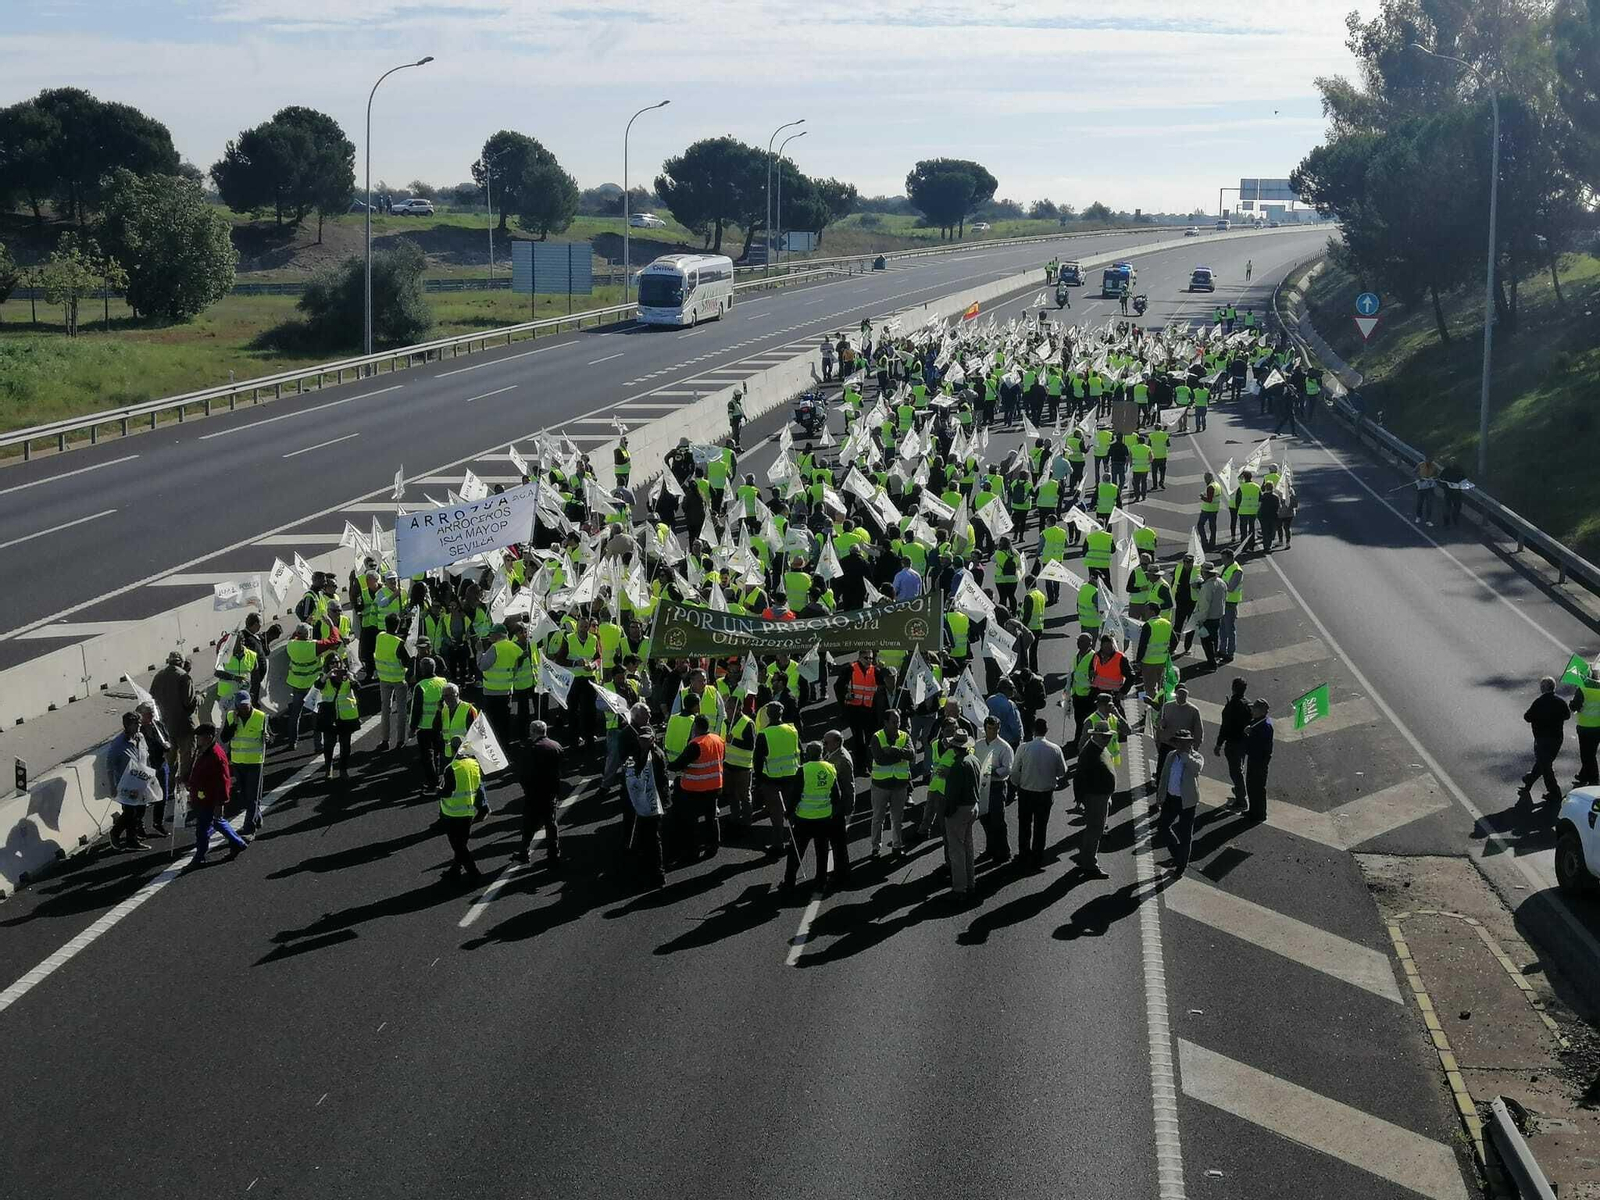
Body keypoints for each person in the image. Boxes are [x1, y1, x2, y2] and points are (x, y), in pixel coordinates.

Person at [185, 723, 247, 867]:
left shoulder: (216, 756)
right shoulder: (202, 750)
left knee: (202, 829)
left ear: (208, 737)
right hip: (202, 797)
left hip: (209, 799)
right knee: (216, 822)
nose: (197, 739)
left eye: (199, 736)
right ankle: (237, 842)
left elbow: (224, 781)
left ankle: (200, 856)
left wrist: (221, 803)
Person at [784, 741, 839, 894]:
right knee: (821, 852)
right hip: (824, 818)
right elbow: (836, 795)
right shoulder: (830, 768)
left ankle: (789, 882)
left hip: (804, 819)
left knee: (796, 851)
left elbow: (795, 795)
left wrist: (788, 812)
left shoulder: (803, 770)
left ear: (808, 754)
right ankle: (821, 882)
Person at [1012, 718, 1066, 871]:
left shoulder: (1024, 748)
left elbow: (1015, 771)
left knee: (1024, 824)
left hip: (1026, 792)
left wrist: (1017, 784)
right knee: (1041, 826)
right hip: (1045, 794)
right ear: (1046, 730)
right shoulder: (1055, 749)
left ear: (1033, 730)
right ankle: (1037, 855)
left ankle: (1023, 852)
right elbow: (1062, 771)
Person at [671, 713, 725, 860]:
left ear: (696, 727)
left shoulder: (696, 744)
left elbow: (679, 764)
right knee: (712, 818)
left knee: (692, 820)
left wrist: (668, 765)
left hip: (695, 787)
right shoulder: (718, 739)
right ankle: (713, 846)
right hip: (714, 785)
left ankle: (693, 850)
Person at [937, 730, 981, 904]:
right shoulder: (974, 760)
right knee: (968, 847)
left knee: (956, 851)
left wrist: (947, 811)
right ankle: (971, 882)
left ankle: (959, 888)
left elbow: (952, 794)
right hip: (973, 806)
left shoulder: (957, 766)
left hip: (959, 810)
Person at [1155, 731, 1204, 876]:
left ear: (1190, 743)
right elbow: (1164, 776)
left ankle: (1181, 866)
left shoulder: (1196, 757)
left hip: (1187, 801)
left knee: (1185, 834)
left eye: (1185, 741)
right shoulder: (1171, 756)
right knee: (1163, 827)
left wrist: (1184, 755)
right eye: (1178, 741)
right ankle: (1177, 855)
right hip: (1171, 799)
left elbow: (1196, 769)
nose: (1181, 744)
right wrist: (1160, 795)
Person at [513, 720, 563, 866]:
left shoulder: (531, 749)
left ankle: (524, 852)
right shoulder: (556, 746)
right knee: (551, 824)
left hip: (534, 793)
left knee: (529, 824)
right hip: (551, 792)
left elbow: (524, 773)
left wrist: (526, 788)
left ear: (533, 731)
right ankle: (553, 853)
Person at [869, 709, 915, 858]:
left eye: (899, 722)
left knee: (897, 819)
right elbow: (880, 760)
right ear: (886, 722)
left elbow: (912, 755)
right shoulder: (877, 737)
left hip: (899, 786)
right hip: (881, 785)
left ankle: (897, 846)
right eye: (894, 722)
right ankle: (876, 847)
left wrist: (893, 750)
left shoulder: (905, 736)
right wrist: (901, 756)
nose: (897, 725)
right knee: (878, 818)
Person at [439, 742, 488, 882]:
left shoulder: (451, 768)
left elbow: (448, 792)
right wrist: (483, 808)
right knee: (461, 843)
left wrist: (438, 791)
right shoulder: (474, 764)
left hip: (453, 813)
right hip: (468, 811)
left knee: (458, 845)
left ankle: (473, 872)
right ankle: (455, 870)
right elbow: (479, 788)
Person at [220, 694, 268, 837]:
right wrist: (233, 724)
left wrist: (268, 738)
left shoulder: (261, 716)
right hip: (238, 762)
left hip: (255, 762)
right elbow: (224, 738)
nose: (244, 708)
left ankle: (249, 829)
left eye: (246, 705)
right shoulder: (231, 717)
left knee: (253, 796)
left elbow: (269, 736)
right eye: (241, 706)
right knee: (245, 796)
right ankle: (256, 818)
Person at [1518, 677, 1570, 807]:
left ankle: (1554, 792)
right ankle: (1529, 780)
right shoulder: (1560, 702)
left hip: (1542, 739)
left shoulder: (1539, 702)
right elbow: (1567, 715)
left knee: (1546, 766)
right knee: (1545, 762)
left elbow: (1527, 717)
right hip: (1557, 738)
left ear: (1543, 688)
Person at [105, 712, 154, 851]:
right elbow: (109, 766)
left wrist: (150, 774)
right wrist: (112, 786)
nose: (139, 726)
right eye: (135, 723)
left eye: (139, 723)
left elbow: (146, 755)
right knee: (130, 812)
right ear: (127, 725)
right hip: (126, 784)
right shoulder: (118, 745)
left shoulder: (141, 737)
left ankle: (131, 836)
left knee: (140, 810)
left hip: (141, 781)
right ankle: (121, 835)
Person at [1073, 723, 1116, 878]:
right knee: (1095, 830)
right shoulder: (1090, 752)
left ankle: (1086, 859)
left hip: (1102, 796)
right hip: (1095, 797)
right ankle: (1090, 864)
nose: (1108, 739)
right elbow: (1079, 777)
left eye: (1109, 736)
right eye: (1105, 736)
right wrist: (1080, 800)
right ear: (1095, 735)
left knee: (1095, 829)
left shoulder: (1097, 747)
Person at [150, 650, 198, 788]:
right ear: (182, 662)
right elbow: (189, 702)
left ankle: (168, 786)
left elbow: (152, 700)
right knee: (186, 758)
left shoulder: (158, 676)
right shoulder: (184, 677)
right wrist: (200, 698)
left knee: (169, 759)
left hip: (166, 728)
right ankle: (184, 785)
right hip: (184, 726)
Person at [974, 716, 1014, 865]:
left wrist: (992, 771)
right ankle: (990, 848)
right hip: (982, 786)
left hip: (997, 786)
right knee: (984, 818)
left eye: (995, 728)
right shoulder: (978, 745)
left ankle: (1004, 851)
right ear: (985, 728)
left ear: (999, 728)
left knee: (997, 820)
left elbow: (1007, 769)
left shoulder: (1004, 747)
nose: (992, 731)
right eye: (990, 728)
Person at [1155, 685, 1204, 784]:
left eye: (1183, 696)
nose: (1181, 698)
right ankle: (1161, 790)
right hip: (1167, 744)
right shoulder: (1167, 706)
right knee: (1162, 771)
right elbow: (1157, 721)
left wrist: (1196, 746)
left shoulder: (1193, 711)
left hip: (1183, 746)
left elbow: (1198, 731)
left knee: (1179, 773)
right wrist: (1160, 724)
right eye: (1179, 695)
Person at [138, 701, 174, 838]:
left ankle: (158, 822)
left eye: (152, 714)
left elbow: (167, 738)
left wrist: (166, 745)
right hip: (146, 767)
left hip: (160, 763)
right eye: (148, 714)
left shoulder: (158, 726)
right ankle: (139, 825)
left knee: (162, 795)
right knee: (144, 797)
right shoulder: (139, 731)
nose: (151, 717)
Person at [1214, 677, 1251, 806]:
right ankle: (1239, 790)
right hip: (1244, 742)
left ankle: (1241, 799)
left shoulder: (1231, 706)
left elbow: (1225, 727)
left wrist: (1218, 744)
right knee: (1240, 768)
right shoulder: (1248, 704)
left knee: (1235, 771)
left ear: (1233, 688)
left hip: (1233, 743)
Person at [1242, 699, 1274, 821]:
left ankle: (1259, 814)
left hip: (1259, 762)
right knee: (1251, 786)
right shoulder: (1259, 722)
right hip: (1255, 760)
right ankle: (1253, 811)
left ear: (1260, 711)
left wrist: (1248, 734)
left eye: (1254, 709)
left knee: (1257, 788)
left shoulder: (1265, 726)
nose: (1251, 710)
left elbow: (1257, 746)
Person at [1572, 667, 1600, 787]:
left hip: (1585, 727)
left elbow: (1575, 706)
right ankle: (1583, 775)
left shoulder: (1582, 690)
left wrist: (1571, 703)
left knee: (1586, 755)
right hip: (1598, 727)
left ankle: (1594, 779)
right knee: (1591, 753)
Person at [1415, 454, 1439, 526]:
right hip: (1421, 487)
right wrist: (1419, 478)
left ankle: (1428, 520)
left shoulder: (1435, 467)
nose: (1429, 461)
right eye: (1428, 460)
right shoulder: (1420, 465)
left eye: (1431, 460)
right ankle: (1418, 516)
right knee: (1419, 503)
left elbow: (1437, 475)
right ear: (1425, 459)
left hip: (1429, 488)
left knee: (1429, 504)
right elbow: (1414, 472)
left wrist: (1433, 478)